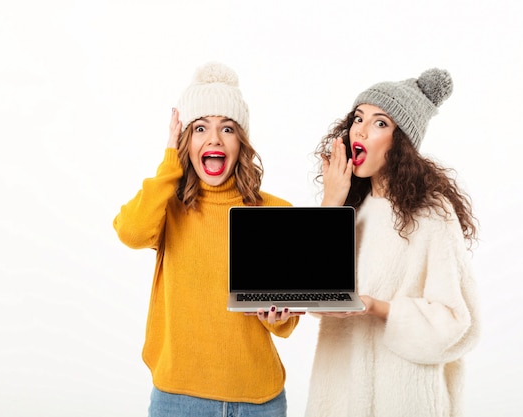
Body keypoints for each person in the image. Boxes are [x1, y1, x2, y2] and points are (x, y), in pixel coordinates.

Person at [113, 61, 303, 417]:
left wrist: (277, 317)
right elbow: (131, 231)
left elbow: (288, 325)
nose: (214, 138)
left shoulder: (275, 211)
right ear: (186, 140)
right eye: (200, 128)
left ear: (240, 142)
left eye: (227, 128)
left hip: (259, 400)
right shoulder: (167, 208)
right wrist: (170, 161)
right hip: (177, 399)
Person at [304, 68, 480, 417]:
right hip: (340, 393)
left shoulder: (431, 215)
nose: (362, 130)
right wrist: (331, 202)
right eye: (358, 118)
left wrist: (378, 307)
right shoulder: (350, 209)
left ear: (402, 142)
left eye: (380, 123)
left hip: (403, 396)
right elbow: (315, 297)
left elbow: (458, 323)